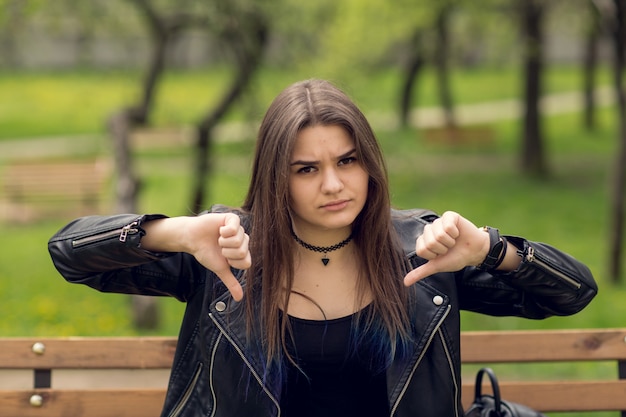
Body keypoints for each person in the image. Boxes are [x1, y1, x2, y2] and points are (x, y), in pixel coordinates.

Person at [48, 79, 597, 417]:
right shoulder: (226, 251)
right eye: (306, 169)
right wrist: (174, 233)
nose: (333, 185)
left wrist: (488, 248)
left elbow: (573, 294)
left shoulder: (423, 251)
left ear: (370, 164)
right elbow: (68, 254)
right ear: (275, 180)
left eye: (347, 161)